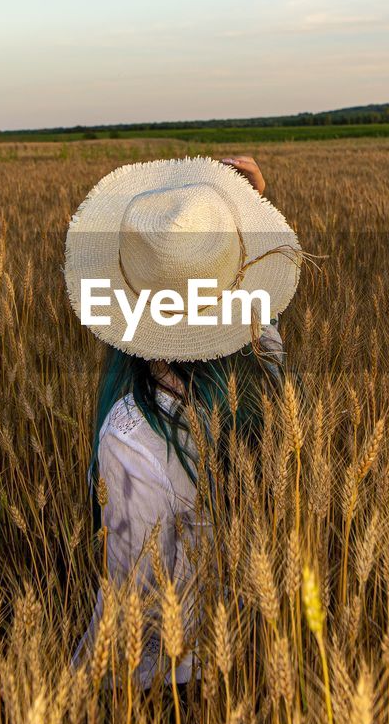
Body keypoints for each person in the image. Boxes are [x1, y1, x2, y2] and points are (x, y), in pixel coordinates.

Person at [64, 154, 302, 693]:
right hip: (254, 658)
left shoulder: (131, 436)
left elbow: (133, 610)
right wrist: (253, 208)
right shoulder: (264, 366)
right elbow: (262, 318)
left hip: (170, 687)